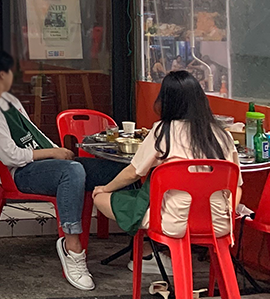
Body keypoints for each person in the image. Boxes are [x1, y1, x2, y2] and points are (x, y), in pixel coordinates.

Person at [0, 45, 119, 292]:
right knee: (72, 171)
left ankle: (144, 251)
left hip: (47, 164)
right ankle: (72, 248)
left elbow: (34, 134)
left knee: (115, 171)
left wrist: (57, 150)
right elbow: (10, 156)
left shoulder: (9, 100)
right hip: (21, 173)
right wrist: (53, 154)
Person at [92, 70, 241, 239]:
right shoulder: (223, 135)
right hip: (219, 225)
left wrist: (104, 188)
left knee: (102, 198)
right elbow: (237, 186)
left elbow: (133, 173)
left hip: (172, 223)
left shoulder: (163, 131)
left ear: (167, 101)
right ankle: (151, 255)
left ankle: (150, 257)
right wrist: (228, 213)